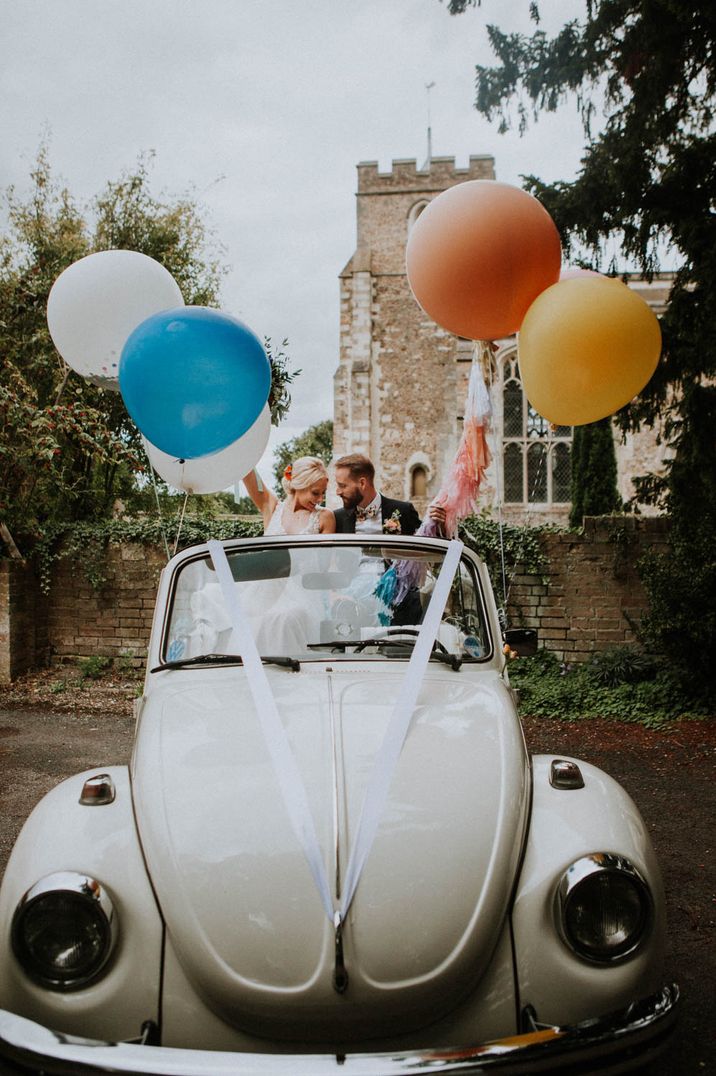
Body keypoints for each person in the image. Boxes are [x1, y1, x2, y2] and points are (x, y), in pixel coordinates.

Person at [332, 453, 444, 535]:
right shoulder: (337, 518)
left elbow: (427, 544)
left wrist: (439, 524)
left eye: (342, 486)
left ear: (362, 483)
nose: (338, 492)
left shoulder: (404, 511)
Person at [242, 456, 336, 535]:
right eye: (315, 493)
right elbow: (245, 467)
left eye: (323, 493)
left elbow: (327, 556)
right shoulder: (272, 507)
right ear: (299, 485)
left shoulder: (325, 517)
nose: (320, 499)